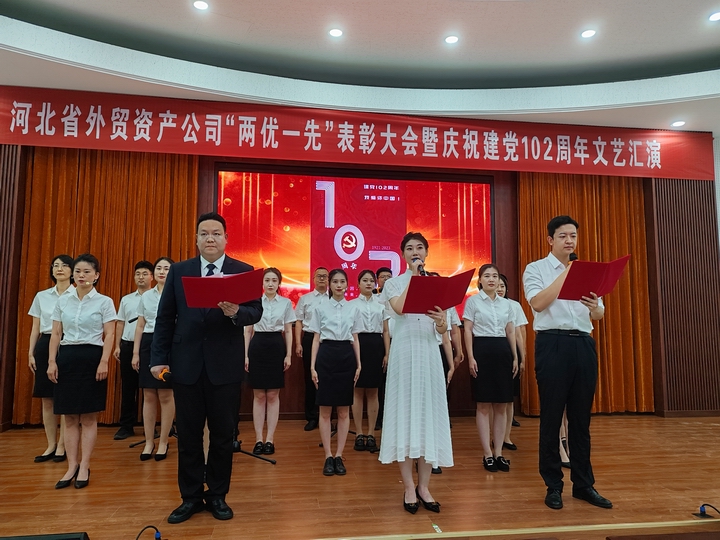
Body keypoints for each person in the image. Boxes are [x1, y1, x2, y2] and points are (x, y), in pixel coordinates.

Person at [150, 212, 263, 524]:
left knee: (223, 435)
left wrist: (237, 312)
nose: (210, 238)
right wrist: (158, 358)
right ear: (197, 239)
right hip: (185, 363)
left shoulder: (242, 271)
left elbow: (255, 312)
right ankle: (189, 497)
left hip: (224, 366)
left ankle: (217, 496)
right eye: (204, 233)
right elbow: (165, 317)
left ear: (226, 238)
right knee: (188, 435)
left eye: (216, 233)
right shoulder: (179, 270)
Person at [522, 215, 612, 510]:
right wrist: (567, 274)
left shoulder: (588, 271)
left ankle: (584, 485)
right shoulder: (536, 269)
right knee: (551, 418)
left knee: (581, 420)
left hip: (583, 343)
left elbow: (598, 314)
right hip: (553, 343)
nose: (569, 241)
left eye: (573, 235)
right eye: (563, 236)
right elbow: (537, 303)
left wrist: (595, 306)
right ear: (550, 240)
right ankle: (553, 486)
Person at [378, 232, 452, 514]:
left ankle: (424, 486)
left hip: (429, 354)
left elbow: (442, 329)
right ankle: (409, 486)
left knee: (427, 417)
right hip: (404, 353)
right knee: (404, 416)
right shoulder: (394, 283)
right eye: (409, 248)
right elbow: (399, 308)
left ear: (427, 252)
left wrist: (442, 321)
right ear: (403, 254)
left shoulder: (437, 284)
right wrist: (415, 277)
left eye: (420, 248)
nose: (415, 252)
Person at [47, 253, 117, 489]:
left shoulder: (104, 302)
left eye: (87, 272)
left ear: (96, 276)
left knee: (88, 416)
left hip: (92, 358)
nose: (81, 275)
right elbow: (56, 334)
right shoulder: (63, 301)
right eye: (78, 271)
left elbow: (110, 334)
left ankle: (85, 465)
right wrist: (52, 361)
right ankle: (71, 466)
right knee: (68, 417)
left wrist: (104, 361)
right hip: (67, 358)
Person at [463, 264, 518, 473]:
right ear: (480, 280)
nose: (492, 279)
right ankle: (487, 454)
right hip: (482, 350)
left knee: (502, 405)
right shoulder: (473, 301)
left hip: (503, 351)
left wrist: (515, 356)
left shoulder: (507, 304)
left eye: (495, 276)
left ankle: (499, 453)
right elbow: (467, 330)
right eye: (487, 276)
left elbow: (510, 331)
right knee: (484, 405)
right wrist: (471, 357)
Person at [309, 268, 361, 476]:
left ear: (347, 285)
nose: (339, 285)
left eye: (342, 282)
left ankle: (339, 455)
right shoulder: (320, 308)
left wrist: (359, 364)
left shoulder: (353, 308)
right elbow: (315, 338)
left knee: (343, 410)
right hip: (326, 355)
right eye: (335, 282)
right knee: (325, 410)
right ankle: (328, 456)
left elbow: (355, 337)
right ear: (329, 284)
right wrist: (312, 366)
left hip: (346, 356)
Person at [244, 267, 296, 455]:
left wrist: (288, 354)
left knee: (273, 394)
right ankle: (259, 439)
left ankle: (270, 439)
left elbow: (288, 330)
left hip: (276, 345)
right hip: (257, 345)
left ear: (279, 283)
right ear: (262, 283)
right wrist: (245, 355)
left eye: (274, 280)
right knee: (259, 395)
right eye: (267, 280)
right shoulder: (254, 302)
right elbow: (248, 330)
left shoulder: (286, 303)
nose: (270, 284)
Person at [28, 254, 73, 463]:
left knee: (64, 397)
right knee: (47, 398)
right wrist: (31, 352)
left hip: (68, 343)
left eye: (64, 265)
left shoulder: (77, 295)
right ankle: (51, 445)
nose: (59, 269)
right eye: (55, 265)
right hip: (45, 343)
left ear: (72, 271)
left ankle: (63, 446)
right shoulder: (42, 296)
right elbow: (35, 327)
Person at [132, 257, 174, 461]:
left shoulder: (176, 292)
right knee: (148, 395)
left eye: (167, 268)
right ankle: (149, 441)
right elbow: (140, 325)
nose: (162, 272)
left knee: (166, 395)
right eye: (159, 268)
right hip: (148, 342)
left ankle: (164, 441)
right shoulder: (146, 296)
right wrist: (135, 352)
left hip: (169, 342)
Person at [349, 270, 389, 453]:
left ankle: (371, 433)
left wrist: (387, 353)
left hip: (376, 346)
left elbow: (386, 331)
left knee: (373, 391)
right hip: (357, 345)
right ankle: (358, 433)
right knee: (357, 391)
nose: (368, 283)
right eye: (364, 280)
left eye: (371, 281)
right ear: (358, 284)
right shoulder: (351, 305)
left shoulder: (381, 304)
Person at [113, 260, 154, 440]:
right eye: (138, 274)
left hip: (149, 346)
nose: (141, 277)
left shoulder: (156, 298)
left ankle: (149, 428)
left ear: (152, 277)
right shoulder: (127, 299)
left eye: (145, 274)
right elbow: (120, 323)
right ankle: (126, 426)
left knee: (149, 389)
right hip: (128, 345)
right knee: (128, 388)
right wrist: (117, 345)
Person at [294, 267, 330, 431]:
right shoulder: (305, 299)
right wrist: (298, 343)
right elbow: (299, 321)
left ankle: (328, 417)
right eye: (319, 276)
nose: (322, 279)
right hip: (309, 339)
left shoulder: (334, 298)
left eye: (325, 276)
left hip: (329, 340)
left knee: (329, 379)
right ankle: (312, 416)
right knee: (310, 379)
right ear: (314, 279)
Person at [497, 273, 528, 450]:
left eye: (502, 286)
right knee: (493, 400)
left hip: (511, 351)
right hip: (493, 349)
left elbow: (519, 333)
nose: (499, 289)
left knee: (508, 398)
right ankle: (495, 436)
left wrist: (522, 357)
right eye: (497, 285)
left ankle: (506, 437)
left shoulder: (514, 306)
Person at [373, 266, 393, 431]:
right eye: (383, 277)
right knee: (379, 383)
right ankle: (379, 418)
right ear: (377, 280)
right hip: (379, 343)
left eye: (389, 277)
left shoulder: (397, 297)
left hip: (397, 340)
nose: (386, 279)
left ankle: (392, 417)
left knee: (393, 383)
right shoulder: (374, 299)